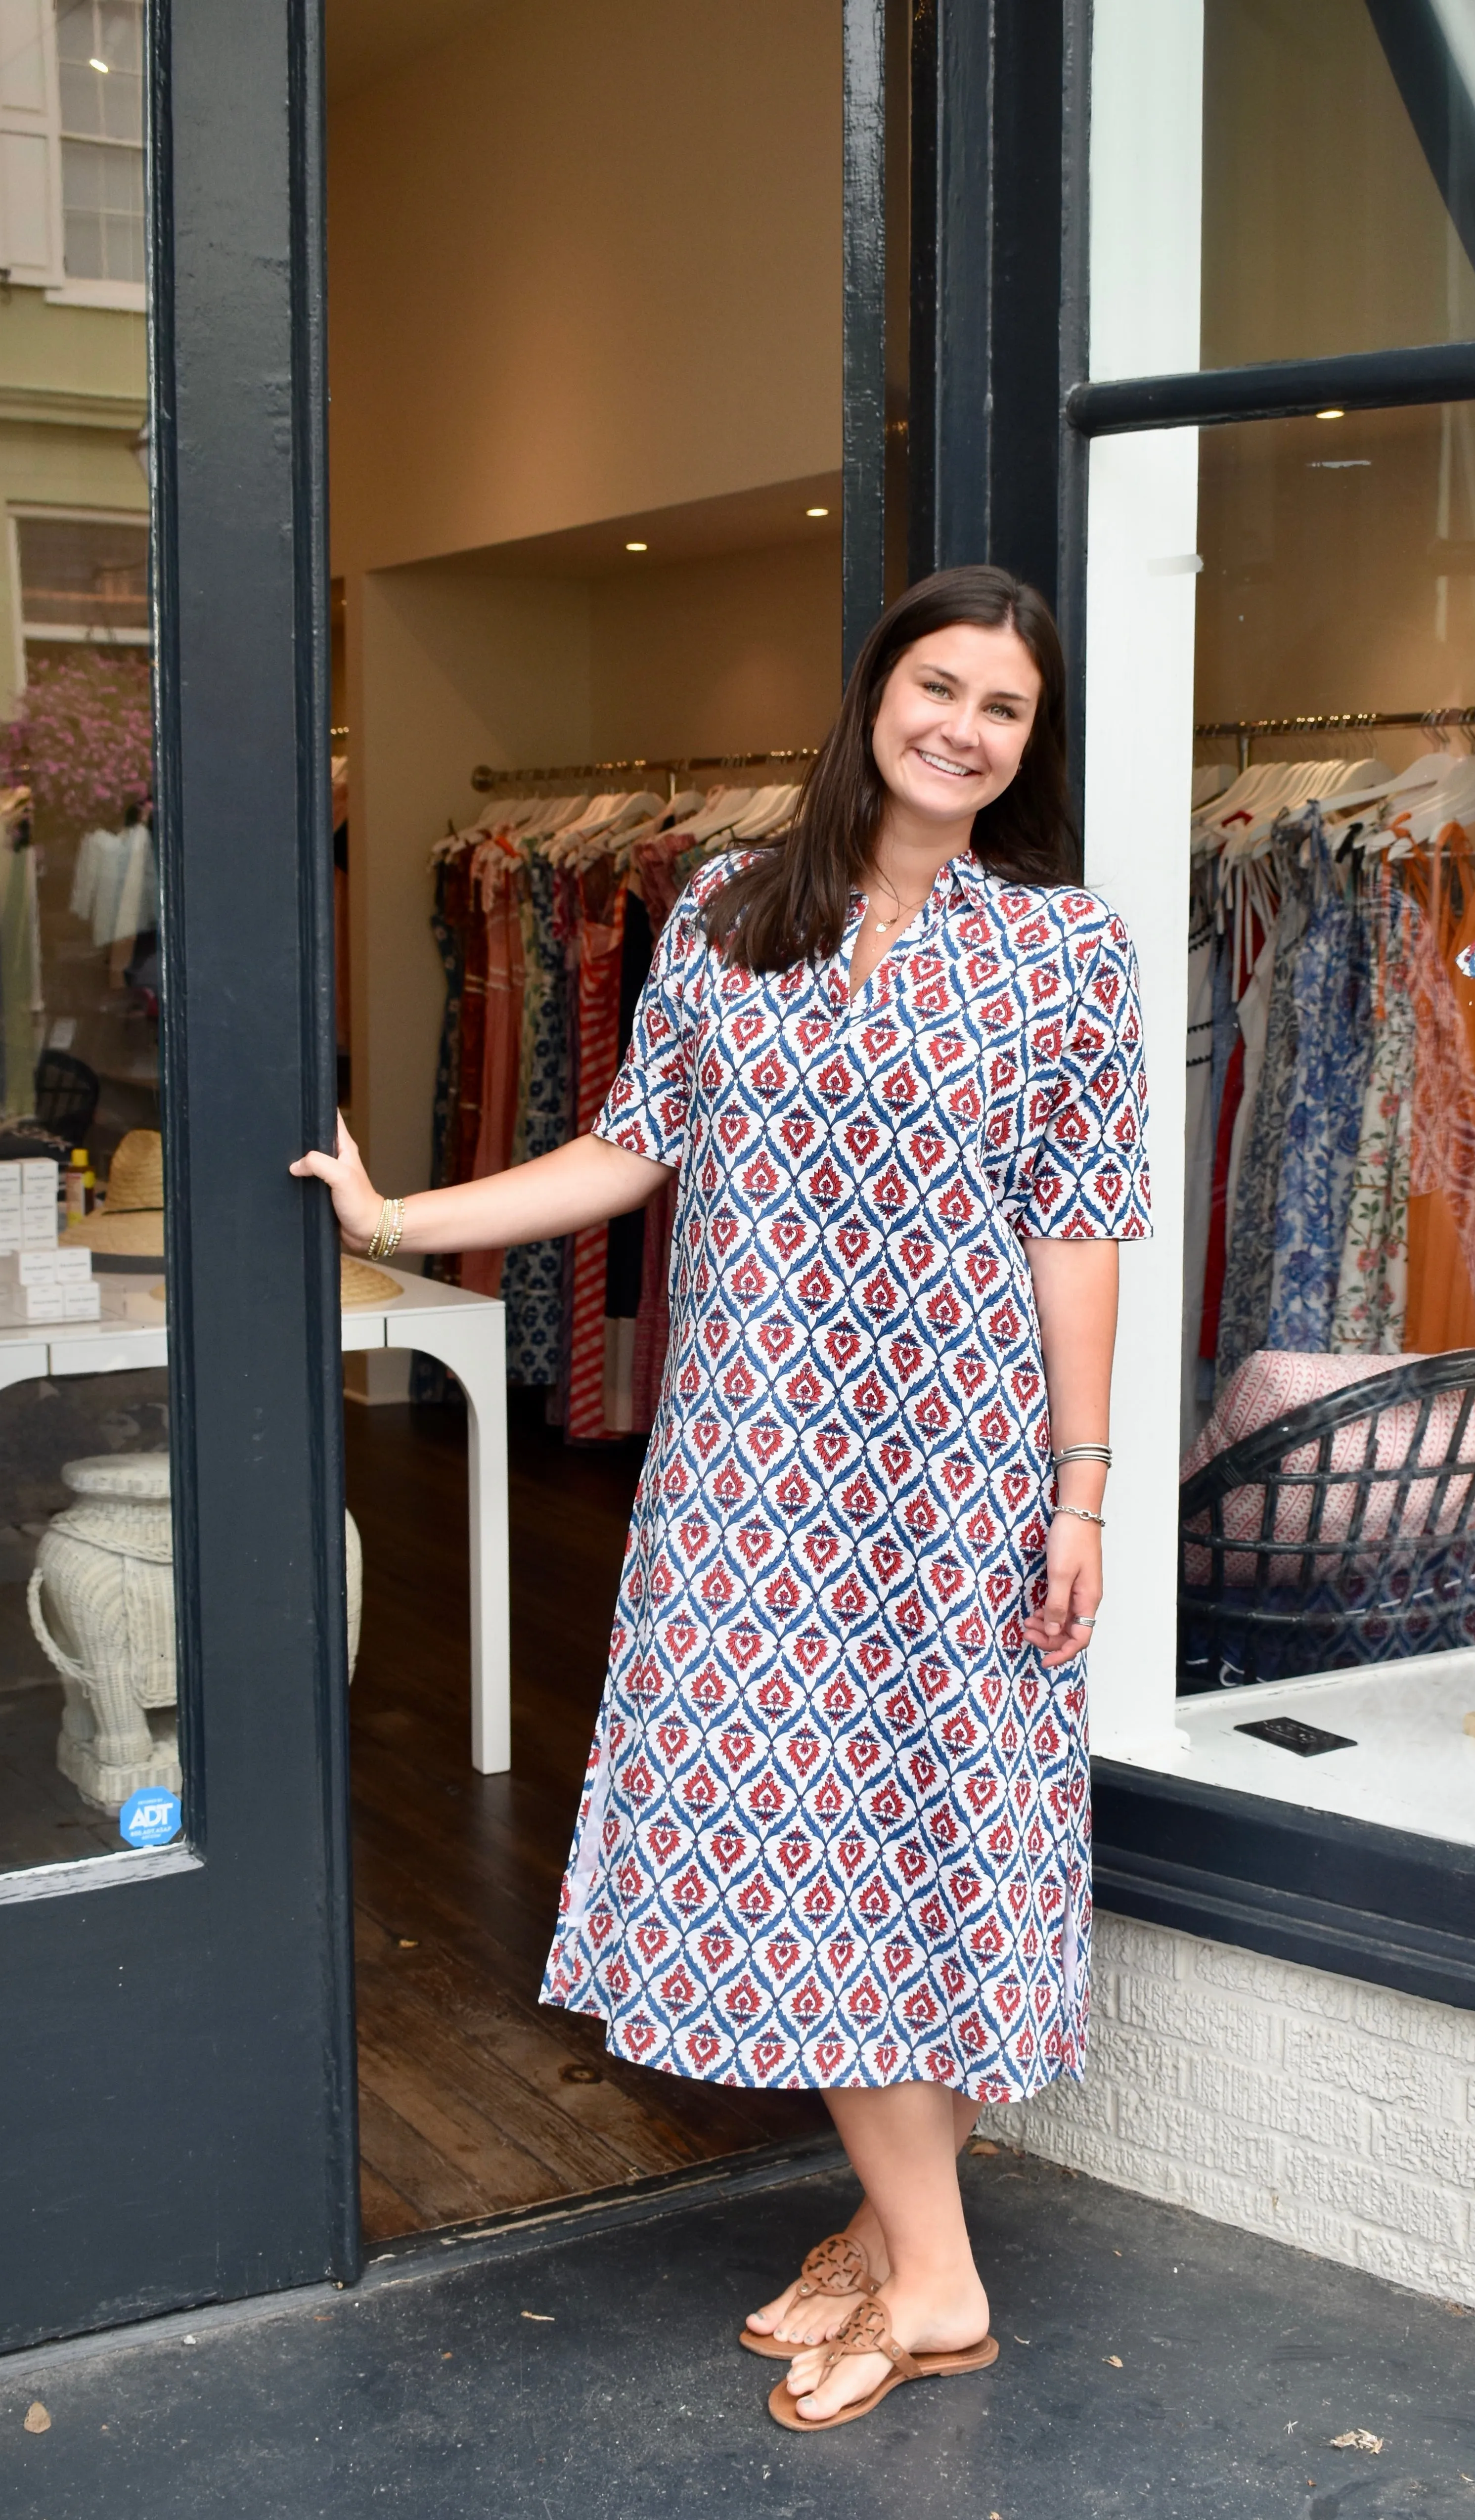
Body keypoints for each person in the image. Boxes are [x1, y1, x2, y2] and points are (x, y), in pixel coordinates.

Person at [292, 563, 1151, 2430]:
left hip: (956, 1476)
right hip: (748, 1479)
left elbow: (1081, 1234)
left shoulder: (1068, 952)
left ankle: (932, 2282)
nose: (964, 729)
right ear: (872, 694)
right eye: (939, 686)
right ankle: (898, 2223)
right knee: (798, 1834)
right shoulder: (723, 909)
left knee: (912, 1840)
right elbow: (625, 1150)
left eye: (1003, 709)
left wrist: (1079, 1491)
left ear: (1027, 743)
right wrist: (399, 1220)